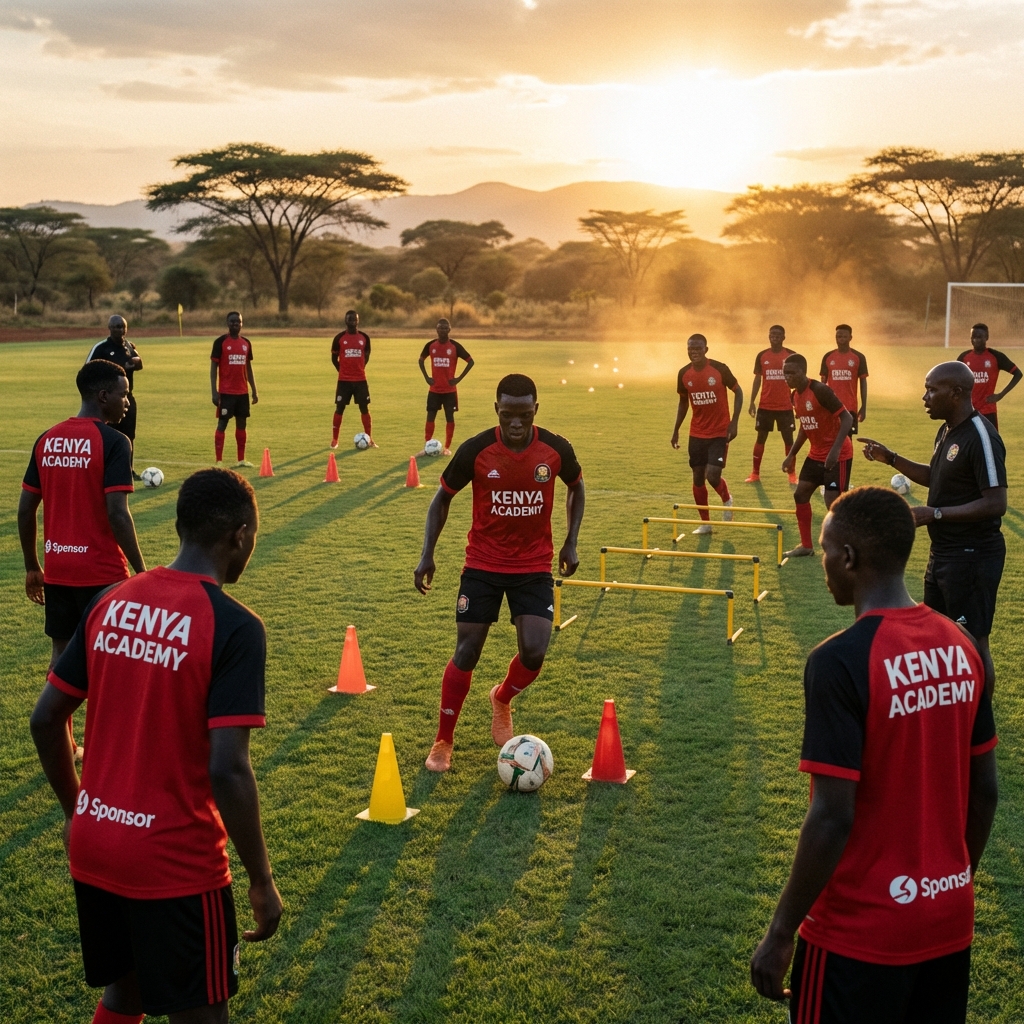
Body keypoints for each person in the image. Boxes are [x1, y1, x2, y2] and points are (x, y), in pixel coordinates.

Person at [29, 468, 283, 1024]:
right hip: (175, 863)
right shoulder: (235, 627)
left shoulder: (111, 601)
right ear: (239, 535)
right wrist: (262, 882)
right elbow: (228, 770)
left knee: (126, 997)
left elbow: (46, 719)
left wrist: (77, 809)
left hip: (95, 844)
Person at [750, 486, 998, 1023]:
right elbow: (986, 791)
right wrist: (949, 883)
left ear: (849, 557)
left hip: (856, 935)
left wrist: (779, 933)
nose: (822, 562)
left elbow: (832, 816)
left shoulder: (838, 662)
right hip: (948, 919)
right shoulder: (966, 647)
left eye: (823, 550)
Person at [414, 373, 585, 773]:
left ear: (535, 411)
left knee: (535, 651)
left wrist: (571, 540)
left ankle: (502, 698)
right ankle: (444, 739)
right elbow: (442, 499)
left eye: (524, 415)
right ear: (497, 410)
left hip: (533, 566)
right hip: (482, 566)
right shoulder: (476, 450)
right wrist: (427, 554)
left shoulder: (556, 449)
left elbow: (577, 486)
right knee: (466, 651)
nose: (515, 423)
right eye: (508, 414)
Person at [18, 359, 146, 757]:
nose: (128, 401)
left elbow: (25, 510)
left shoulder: (48, 439)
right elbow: (117, 513)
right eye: (123, 393)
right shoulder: (114, 443)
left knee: (62, 658)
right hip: (103, 573)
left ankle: (65, 743)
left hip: (57, 570)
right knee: (111, 662)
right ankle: (108, 747)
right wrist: (142, 572)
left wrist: (31, 566)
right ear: (102, 396)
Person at [859, 361, 1007, 695]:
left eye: (931, 390)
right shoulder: (947, 430)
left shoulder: (982, 436)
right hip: (943, 555)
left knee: (972, 640)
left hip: (973, 556)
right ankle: (947, 708)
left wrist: (934, 514)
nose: (925, 397)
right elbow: (936, 476)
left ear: (955, 394)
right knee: (937, 637)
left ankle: (979, 726)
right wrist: (892, 458)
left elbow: (996, 502)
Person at [781, 354, 854, 559]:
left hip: (838, 455)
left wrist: (835, 450)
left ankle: (845, 547)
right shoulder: (794, 395)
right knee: (800, 495)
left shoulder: (820, 390)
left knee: (833, 503)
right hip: (815, 455)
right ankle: (806, 546)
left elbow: (847, 418)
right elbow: (806, 426)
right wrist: (791, 455)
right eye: (785, 373)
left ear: (803, 372)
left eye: (792, 373)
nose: (788, 377)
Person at [671, 334, 742, 535]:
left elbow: (739, 392)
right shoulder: (684, 374)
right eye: (690, 348)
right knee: (697, 477)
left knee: (713, 475)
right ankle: (706, 523)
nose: (694, 352)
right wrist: (676, 429)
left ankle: (727, 499)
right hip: (697, 433)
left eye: (698, 348)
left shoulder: (720, 369)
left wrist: (734, 422)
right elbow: (683, 402)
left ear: (706, 349)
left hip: (719, 432)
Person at [87, 315, 144, 480]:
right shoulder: (102, 348)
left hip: (126, 397)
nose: (120, 330)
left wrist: (135, 361)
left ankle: (128, 470)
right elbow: (87, 369)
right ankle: (103, 470)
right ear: (110, 328)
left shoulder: (129, 346)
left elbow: (140, 364)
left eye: (122, 327)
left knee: (129, 435)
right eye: (116, 327)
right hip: (107, 400)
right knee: (106, 434)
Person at [746, 324, 798, 485]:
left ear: (783, 337)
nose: (774, 336)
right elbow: (757, 379)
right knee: (760, 438)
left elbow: (799, 381)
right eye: (771, 334)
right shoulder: (762, 356)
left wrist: (799, 404)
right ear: (768, 336)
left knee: (789, 440)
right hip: (765, 406)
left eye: (777, 334)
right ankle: (755, 473)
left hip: (785, 407)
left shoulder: (791, 356)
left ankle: (792, 474)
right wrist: (752, 402)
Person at [416, 318, 474, 455]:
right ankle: (427, 446)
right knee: (430, 416)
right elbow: (420, 360)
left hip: (449, 391)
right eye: (440, 328)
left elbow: (471, 362)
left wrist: (458, 378)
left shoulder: (455, 346)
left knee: (450, 417)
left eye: (445, 328)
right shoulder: (430, 345)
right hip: (434, 390)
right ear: (436, 330)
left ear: (449, 330)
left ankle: (447, 448)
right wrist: (426, 377)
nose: (442, 330)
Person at [210, 312, 258, 468]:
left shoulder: (246, 343)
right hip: (226, 392)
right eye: (232, 321)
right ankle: (219, 461)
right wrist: (214, 392)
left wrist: (254, 390)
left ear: (242, 324)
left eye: (238, 321)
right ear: (227, 323)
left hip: (242, 393)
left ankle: (241, 459)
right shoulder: (220, 342)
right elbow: (213, 368)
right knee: (222, 424)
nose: (235, 324)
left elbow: (248, 368)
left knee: (242, 424)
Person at [956, 322, 1021, 431]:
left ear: (987, 337)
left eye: (980, 337)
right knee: (968, 443)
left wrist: (1000, 395)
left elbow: (1018, 374)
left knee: (991, 443)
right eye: (973, 337)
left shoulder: (995, 356)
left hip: (988, 411)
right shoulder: (964, 357)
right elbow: (954, 379)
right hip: (967, 410)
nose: (976, 340)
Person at [330, 309, 376, 448]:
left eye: (354, 319)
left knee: (364, 408)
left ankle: (369, 439)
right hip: (344, 381)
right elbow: (333, 358)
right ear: (345, 321)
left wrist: (361, 367)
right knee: (340, 408)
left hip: (360, 380)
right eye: (350, 319)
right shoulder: (339, 338)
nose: (352, 322)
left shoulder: (364, 338)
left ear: (358, 321)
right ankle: (335, 440)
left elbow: (367, 354)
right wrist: (342, 370)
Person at [820, 324, 868, 434]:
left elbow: (863, 382)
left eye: (844, 337)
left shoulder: (858, 357)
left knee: (848, 439)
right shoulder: (828, 357)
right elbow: (822, 384)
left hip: (850, 407)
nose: (841, 339)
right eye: (838, 336)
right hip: (831, 406)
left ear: (850, 338)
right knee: (829, 438)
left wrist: (863, 407)